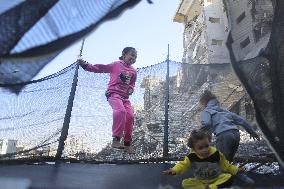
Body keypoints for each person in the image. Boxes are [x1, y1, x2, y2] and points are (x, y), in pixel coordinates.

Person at [78, 47, 137, 154]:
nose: (133, 58)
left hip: (125, 98)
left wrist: (130, 90)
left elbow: (132, 85)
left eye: (135, 57)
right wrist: (85, 65)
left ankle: (127, 143)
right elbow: (100, 68)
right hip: (113, 94)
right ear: (124, 54)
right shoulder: (116, 65)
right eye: (132, 55)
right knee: (120, 111)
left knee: (130, 116)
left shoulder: (133, 71)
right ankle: (116, 140)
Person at [163, 130, 254, 189]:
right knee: (185, 183)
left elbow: (226, 165)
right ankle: (205, 187)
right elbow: (183, 165)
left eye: (207, 146)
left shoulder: (215, 154)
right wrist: (174, 170)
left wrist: (237, 170)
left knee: (228, 178)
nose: (205, 149)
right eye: (201, 148)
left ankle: (212, 187)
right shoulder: (192, 156)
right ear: (194, 149)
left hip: (216, 178)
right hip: (201, 181)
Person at [199, 90, 260, 162]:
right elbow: (242, 121)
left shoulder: (206, 111)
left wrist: (199, 132)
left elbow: (206, 124)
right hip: (236, 135)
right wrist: (252, 132)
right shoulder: (225, 111)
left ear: (204, 102)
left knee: (220, 161)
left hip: (224, 135)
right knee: (228, 161)